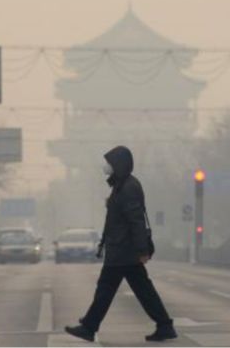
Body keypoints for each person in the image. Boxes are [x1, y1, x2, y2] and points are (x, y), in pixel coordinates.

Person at [65, 146, 177, 343]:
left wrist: (142, 250)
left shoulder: (128, 188)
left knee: (106, 288)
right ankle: (164, 325)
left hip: (124, 251)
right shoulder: (122, 185)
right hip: (122, 249)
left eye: (109, 163)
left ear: (119, 165)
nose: (106, 166)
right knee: (142, 290)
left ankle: (89, 327)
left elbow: (136, 220)